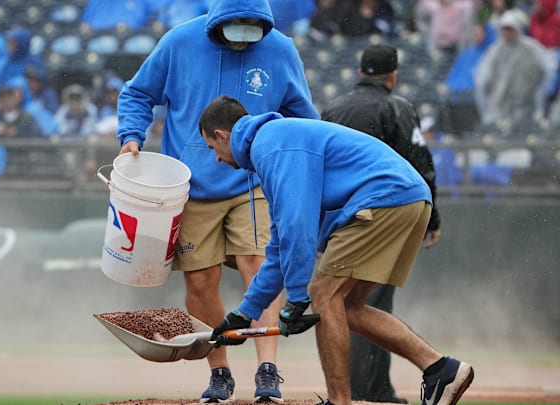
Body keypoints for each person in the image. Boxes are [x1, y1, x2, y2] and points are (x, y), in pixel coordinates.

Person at [201, 94, 474, 405]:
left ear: (221, 136)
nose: (217, 159)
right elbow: (279, 247)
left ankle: (339, 401)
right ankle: (441, 369)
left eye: (212, 148)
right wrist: (244, 312)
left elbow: (297, 228)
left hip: (384, 199)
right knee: (348, 307)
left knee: (324, 295)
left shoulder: (273, 145)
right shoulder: (274, 143)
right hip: (407, 199)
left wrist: (298, 297)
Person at [115, 0, 320, 402]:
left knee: (258, 267)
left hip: (254, 180)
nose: (244, 36)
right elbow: (137, 93)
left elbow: (303, 116)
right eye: (235, 27)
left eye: (252, 27)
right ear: (216, 22)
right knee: (201, 279)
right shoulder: (178, 42)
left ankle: (267, 370)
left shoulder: (281, 49)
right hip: (191, 184)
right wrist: (131, 137)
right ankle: (220, 370)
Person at [320, 44, 442, 404]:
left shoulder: (334, 108)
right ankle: (371, 389)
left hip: (339, 215)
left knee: (336, 300)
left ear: (359, 71)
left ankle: (353, 388)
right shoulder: (399, 107)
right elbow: (420, 164)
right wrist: (432, 219)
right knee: (370, 303)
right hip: (380, 214)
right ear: (393, 75)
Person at [474, 11, 557, 129]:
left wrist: (538, 90)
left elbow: (548, 68)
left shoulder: (530, 48)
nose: (507, 33)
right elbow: (483, 75)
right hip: (501, 106)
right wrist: (487, 92)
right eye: (504, 29)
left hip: (526, 105)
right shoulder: (496, 50)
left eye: (510, 29)